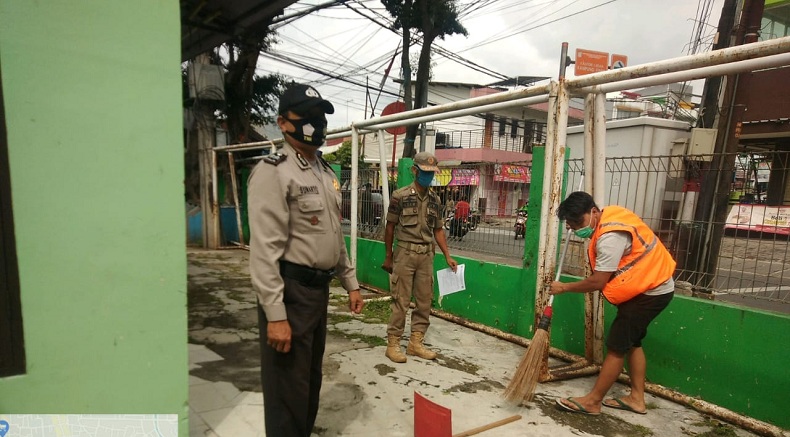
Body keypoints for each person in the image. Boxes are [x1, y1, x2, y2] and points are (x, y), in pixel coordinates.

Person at [247, 83, 365, 437]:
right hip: (291, 291)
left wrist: (350, 282)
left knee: (309, 381)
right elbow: (264, 252)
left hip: (318, 292)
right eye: (306, 115)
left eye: (319, 115)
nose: (316, 123)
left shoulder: (324, 172)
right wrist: (276, 315)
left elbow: (334, 236)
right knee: (287, 389)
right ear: (283, 122)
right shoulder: (274, 171)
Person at [550, 191, 675, 416]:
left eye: (578, 222)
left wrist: (564, 288)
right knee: (633, 342)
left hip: (650, 292)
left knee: (617, 347)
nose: (576, 229)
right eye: (571, 225)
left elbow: (598, 281)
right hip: (649, 286)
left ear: (593, 211)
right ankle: (636, 399)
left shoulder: (610, 238)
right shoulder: (610, 216)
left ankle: (593, 402)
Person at [381, 152, 458, 363]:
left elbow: (438, 230)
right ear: (415, 170)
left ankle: (415, 343)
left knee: (424, 301)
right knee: (401, 301)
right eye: (425, 172)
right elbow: (390, 227)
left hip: (426, 256)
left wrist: (447, 256)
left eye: (431, 173)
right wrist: (388, 256)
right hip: (405, 254)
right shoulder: (400, 196)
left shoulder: (435, 199)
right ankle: (393, 344)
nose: (428, 176)